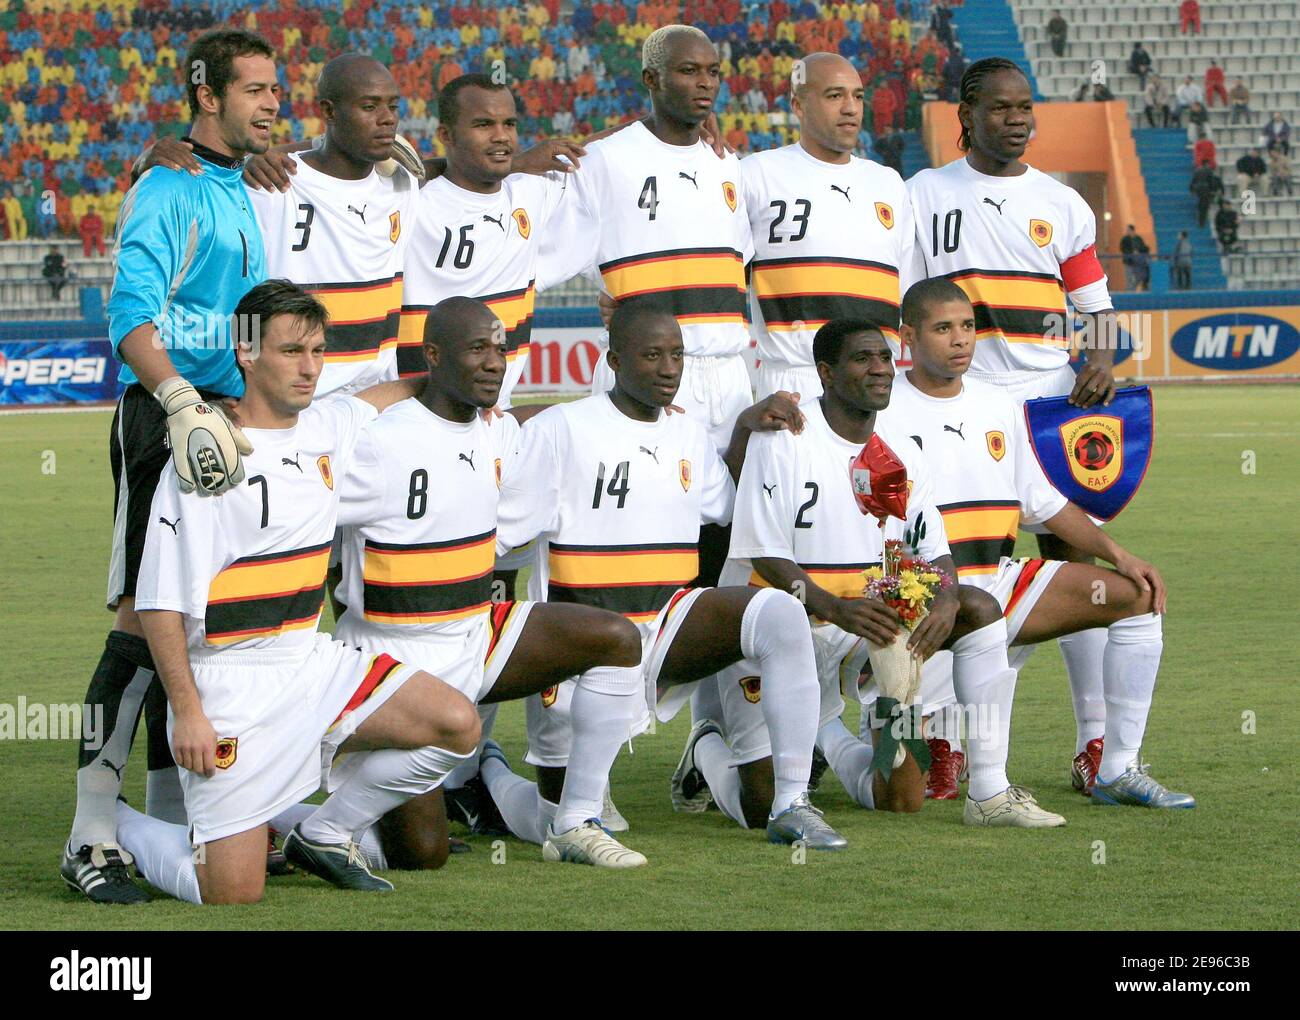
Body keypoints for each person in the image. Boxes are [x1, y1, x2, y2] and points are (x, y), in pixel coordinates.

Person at [116, 280, 481, 904]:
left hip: (311, 666)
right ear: (247, 352)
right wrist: (190, 711)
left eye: (317, 351)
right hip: (230, 682)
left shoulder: (327, 426)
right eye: (291, 351)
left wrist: (457, 387)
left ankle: (322, 831)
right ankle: (110, 826)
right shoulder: (208, 460)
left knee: (455, 723)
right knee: (231, 892)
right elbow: (158, 601)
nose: (309, 367)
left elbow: (380, 395)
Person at [492, 302, 848, 851]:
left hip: (667, 626)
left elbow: (723, 506)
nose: (668, 367)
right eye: (651, 354)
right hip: (581, 642)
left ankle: (792, 804)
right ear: (613, 360)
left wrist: (744, 431)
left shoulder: (686, 434)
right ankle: (491, 776)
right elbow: (502, 533)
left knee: (780, 613)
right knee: (553, 820)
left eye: (677, 354)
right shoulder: (562, 428)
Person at [60, 29, 276, 905]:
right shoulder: (168, 186)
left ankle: (161, 822)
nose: (270, 105)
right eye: (255, 90)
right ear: (206, 96)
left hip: (222, 422)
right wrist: (183, 402)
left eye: (275, 91)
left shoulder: (239, 184)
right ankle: (88, 839)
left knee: (186, 627)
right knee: (139, 620)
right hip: (167, 420)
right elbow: (130, 315)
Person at [692, 319, 1063, 826]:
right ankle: (706, 745)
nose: (881, 370)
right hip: (782, 629)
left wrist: (948, 598)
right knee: (760, 809)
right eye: (863, 359)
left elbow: (934, 552)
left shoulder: (903, 449)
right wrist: (834, 607)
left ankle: (989, 793)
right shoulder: (782, 439)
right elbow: (763, 554)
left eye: (886, 358)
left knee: (976, 615)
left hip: (865, 631)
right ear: (825, 372)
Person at [322, 297, 650, 868]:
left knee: (617, 640)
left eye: (499, 349)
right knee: (422, 855)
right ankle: (289, 822)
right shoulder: (381, 439)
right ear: (432, 354)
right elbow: (307, 511)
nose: (495, 361)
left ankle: (576, 820)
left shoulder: (499, 433)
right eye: (477, 348)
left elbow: (529, 500)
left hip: (476, 634)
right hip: (396, 659)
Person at [882, 279, 1193, 808]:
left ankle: (1117, 768)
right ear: (908, 337)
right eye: (943, 329)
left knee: (1139, 598)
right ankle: (924, 738)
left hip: (999, 584)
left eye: (967, 327)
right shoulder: (883, 408)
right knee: (898, 787)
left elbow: (1041, 503)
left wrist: (1120, 555)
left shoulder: (998, 405)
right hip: (924, 601)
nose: (960, 340)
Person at [906, 58, 1124, 792]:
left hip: (1050, 404)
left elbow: (1096, 309)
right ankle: (946, 740)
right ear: (965, 114)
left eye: (1025, 107)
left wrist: (1099, 359)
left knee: (1076, 574)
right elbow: (899, 299)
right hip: (960, 408)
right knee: (951, 575)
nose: (1017, 119)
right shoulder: (923, 196)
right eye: (1000, 108)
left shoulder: (1061, 203)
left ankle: (1094, 744)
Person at [540, 25, 754, 454]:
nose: (705, 83)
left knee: (731, 518)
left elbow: (739, 263)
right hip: (646, 374)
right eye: (689, 70)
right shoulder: (604, 161)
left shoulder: (727, 163)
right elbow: (537, 253)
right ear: (651, 79)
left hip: (730, 376)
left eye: (713, 72)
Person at [742, 52, 914, 400]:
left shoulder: (889, 184)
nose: (851, 107)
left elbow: (907, 292)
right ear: (799, 105)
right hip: (794, 383)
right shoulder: (756, 174)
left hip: (876, 386)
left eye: (858, 96)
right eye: (835, 95)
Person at [1120, 225, 1150, 291]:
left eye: (1128, 230)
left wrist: (1138, 251)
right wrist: (1132, 252)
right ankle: (1129, 292)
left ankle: (1140, 289)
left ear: (1132, 230)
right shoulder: (1125, 239)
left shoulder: (1138, 238)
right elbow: (1123, 249)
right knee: (1129, 278)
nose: (1127, 231)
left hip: (1138, 263)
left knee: (1138, 278)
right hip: (1129, 262)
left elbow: (1144, 248)